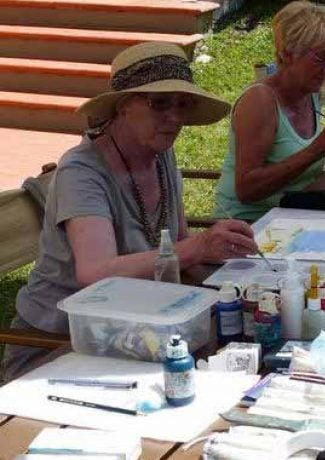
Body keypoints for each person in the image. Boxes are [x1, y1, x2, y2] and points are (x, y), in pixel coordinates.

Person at [1, 42, 258, 381]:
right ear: (123, 106)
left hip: (137, 329)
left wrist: (248, 277)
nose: (175, 118)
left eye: (183, 105)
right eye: (160, 103)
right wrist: (198, 247)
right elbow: (94, 273)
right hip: (59, 343)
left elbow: (180, 245)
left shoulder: (160, 152)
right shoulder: (82, 170)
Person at [214, 0, 325, 221]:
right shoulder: (260, 101)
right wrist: (314, 151)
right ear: (287, 54)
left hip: (295, 216)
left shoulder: (310, 91)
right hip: (250, 226)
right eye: (321, 58)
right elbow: (247, 191)